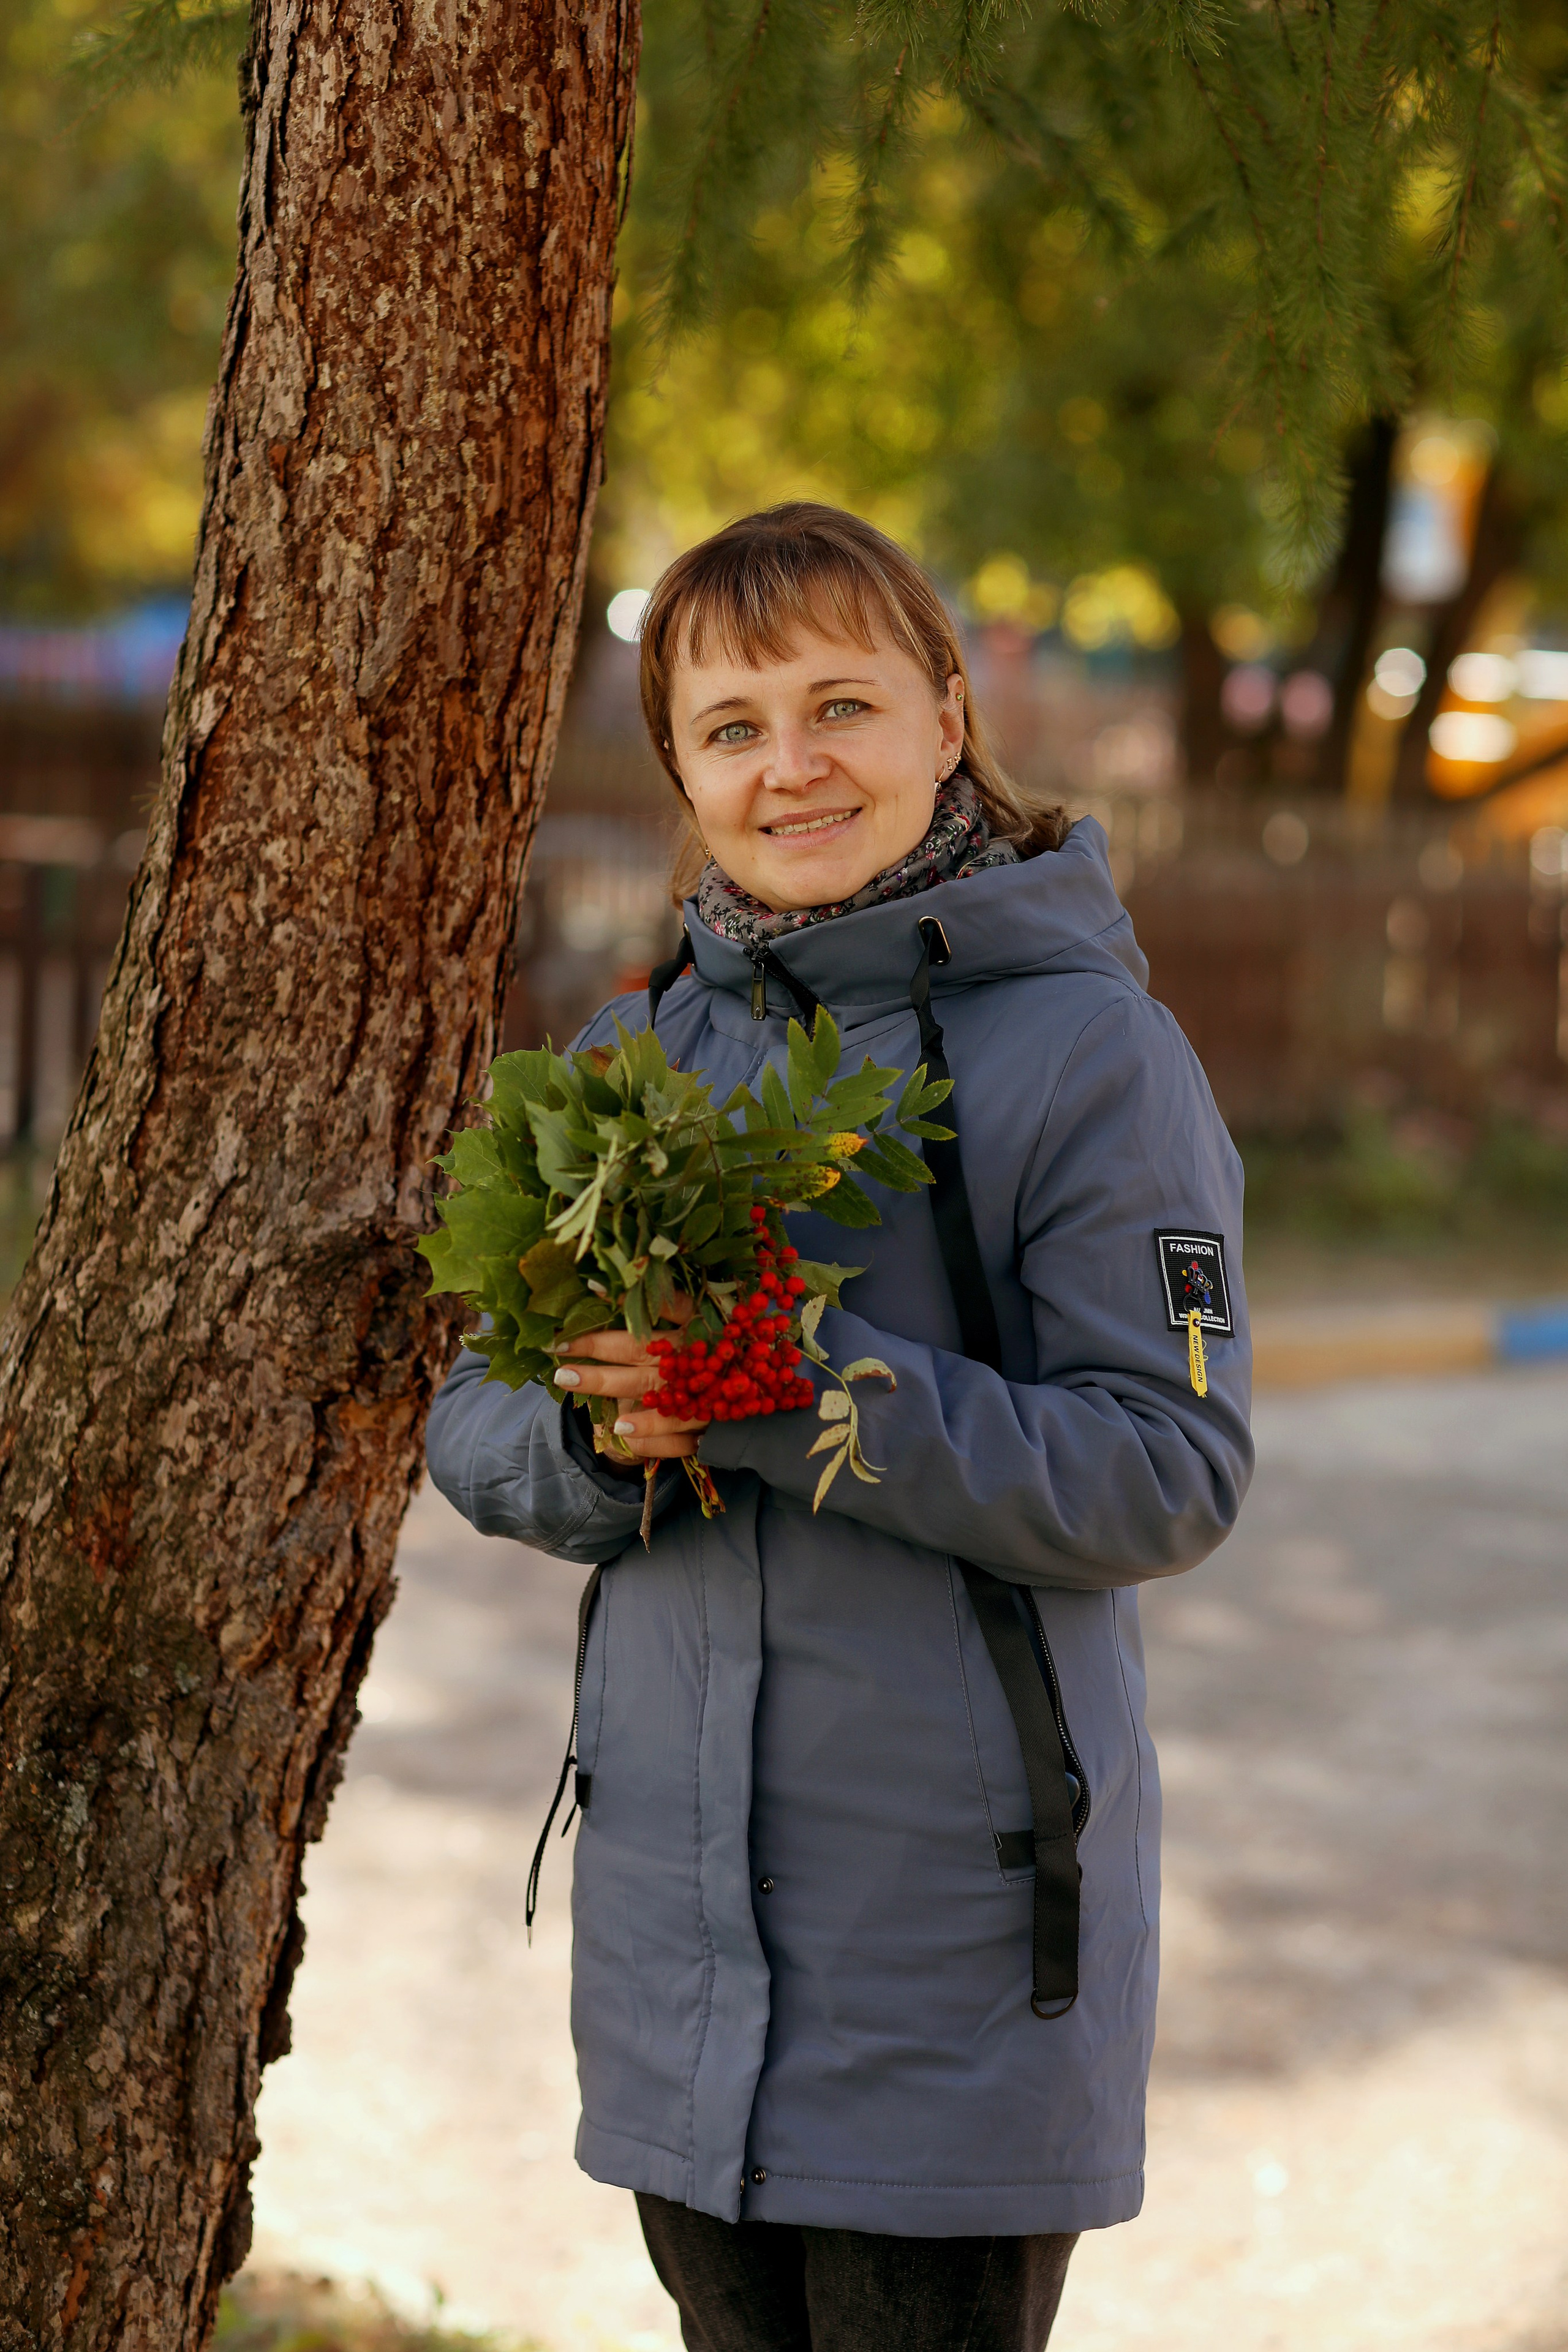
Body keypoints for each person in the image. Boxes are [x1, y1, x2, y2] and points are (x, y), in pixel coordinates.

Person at [426, 502, 1254, 2351]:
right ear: (684, 774)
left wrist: (805, 1394)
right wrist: (598, 1439)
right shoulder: (645, 1055)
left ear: (948, 719)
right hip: (675, 1948)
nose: (791, 767)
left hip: (948, 1961)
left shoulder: (1096, 1057)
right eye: (731, 728)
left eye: (841, 706)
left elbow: (1171, 1469)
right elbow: (471, 1416)